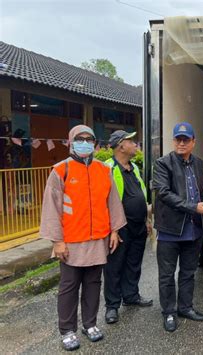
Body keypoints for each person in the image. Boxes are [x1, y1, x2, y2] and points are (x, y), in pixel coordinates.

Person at [39, 125, 126, 351]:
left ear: (95, 143)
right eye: (80, 139)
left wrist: (115, 230)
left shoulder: (103, 170)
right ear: (71, 142)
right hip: (70, 242)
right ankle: (67, 330)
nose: (85, 143)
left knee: (93, 284)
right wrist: (57, 241)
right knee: (69, 286)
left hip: (98, 239)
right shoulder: (60, 171)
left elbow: (113, 202)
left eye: (90, 139)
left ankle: (90, 324)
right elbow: (51, 208)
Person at [152, 122, 203, 332]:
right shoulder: (163, 163)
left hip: (193, 230)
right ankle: (168, 311)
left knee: (188, 272)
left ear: (193, 142)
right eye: (178, 139)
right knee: (167, 275)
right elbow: (164, 193)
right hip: (170, 230)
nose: (181, 143)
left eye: (185, 139)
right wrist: (193, 207)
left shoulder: (198, 163)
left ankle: (185, 307)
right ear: (174, 141)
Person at [103, 130, 153, 325]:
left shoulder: (134, 167)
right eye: (131, 141)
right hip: (119, 227)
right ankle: (112, 306)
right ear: (121, 146)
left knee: (134, 262)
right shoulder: (107, 168)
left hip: (138, 224)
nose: (135, 144)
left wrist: (147, 220)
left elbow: (140, 194)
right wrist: (112, 228)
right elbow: (103, 200)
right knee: (114, 266)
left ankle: (131, 295)